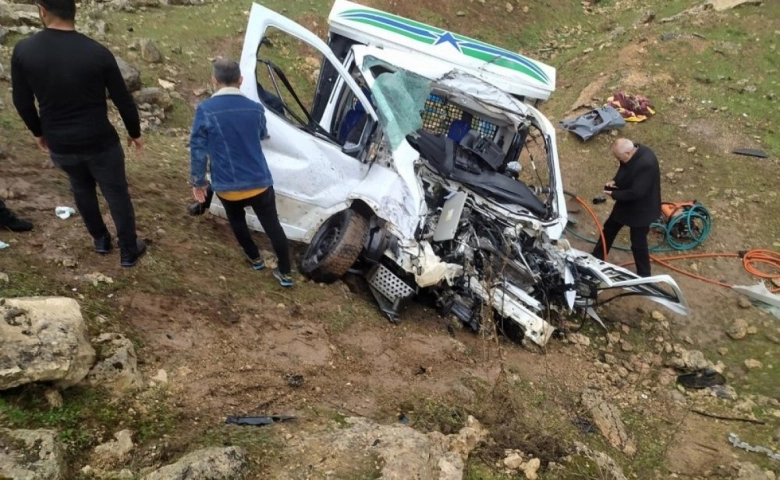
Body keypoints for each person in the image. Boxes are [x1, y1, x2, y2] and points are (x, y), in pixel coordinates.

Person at [11, 0, 146, 267]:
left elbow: (22, 101)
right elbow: (123, 99)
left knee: (81, 189)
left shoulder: (24, 50)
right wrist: (134, 132)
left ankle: (100, 240)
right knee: (117, 194)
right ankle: (129, 251)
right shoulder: (97, 52)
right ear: (75, 12)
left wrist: (39, 132)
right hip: (100, 141)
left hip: (60, 141)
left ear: (42, 10)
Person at [189, 57, 294, 287]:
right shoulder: (256, 109)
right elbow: (261, 134)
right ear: (241, 80)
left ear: (214, 80)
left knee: (237, 220)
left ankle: (255, 259)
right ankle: (285, 273)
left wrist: (198, 182)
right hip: (259, 182)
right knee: (272, 225)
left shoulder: (205, 110)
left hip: (228, 187)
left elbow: (198, 148)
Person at [592, 138, 661, 277]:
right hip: (626, 204)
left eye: (619, 157)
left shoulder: (646, 163)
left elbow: (637, 192)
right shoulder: (633, 152)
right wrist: (615, 181)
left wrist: (614, 194)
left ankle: (644, 275)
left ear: (628, 152)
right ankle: (596, 257)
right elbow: (624, 167)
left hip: (642, 209)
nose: (618, 159)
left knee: (638, 243)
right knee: (609, 229)